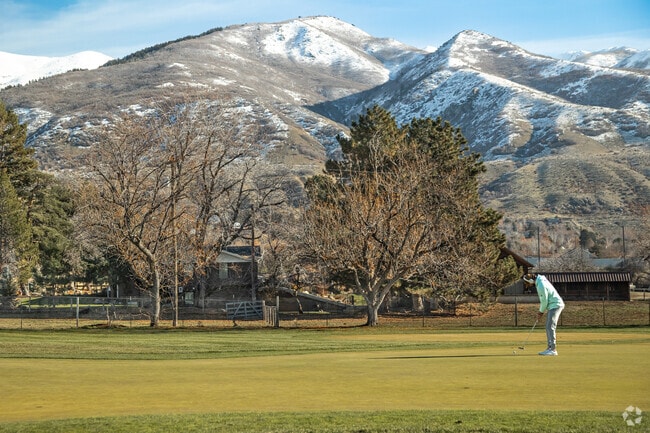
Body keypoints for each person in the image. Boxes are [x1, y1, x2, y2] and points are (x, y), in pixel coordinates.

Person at [522, 273, 565, 356]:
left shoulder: (541, 285)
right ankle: (550, 348)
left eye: (528, 283)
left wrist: (540, 312)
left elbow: (544, 301)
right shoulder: (541, 280)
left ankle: (552, 349)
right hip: (554, 305)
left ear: (531, 280)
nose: (529, 285)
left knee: (550, 326)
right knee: (549, 326)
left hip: (555, 305)